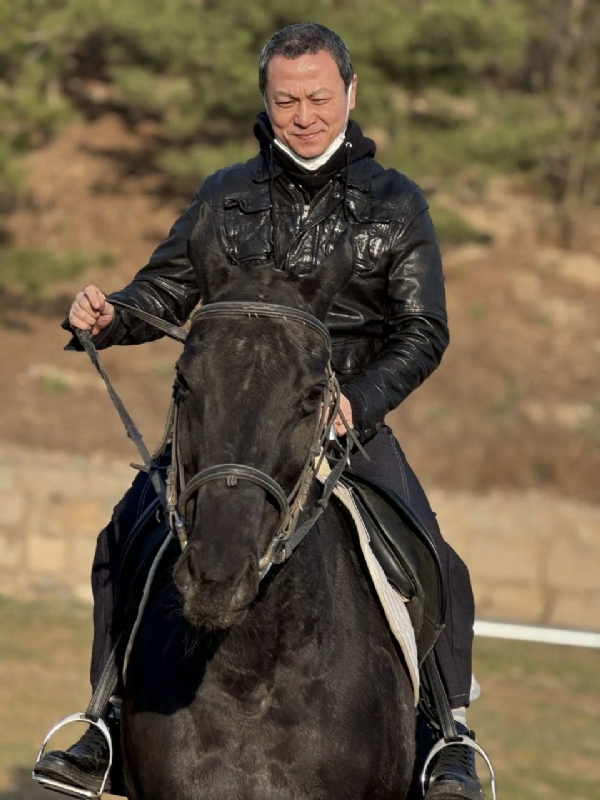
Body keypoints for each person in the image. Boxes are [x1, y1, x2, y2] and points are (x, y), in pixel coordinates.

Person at [34, 23, 488, 800]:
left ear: (350, 94)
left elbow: (423, 330)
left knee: (436, 554)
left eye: (318, 97)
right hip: (230, 417)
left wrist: (358, 403)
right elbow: (166, 290)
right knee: (124, 530)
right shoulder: (224, 195)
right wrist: (112, 314)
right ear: (265, 101)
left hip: (340, 414)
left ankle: (446, 735)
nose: (304, 114)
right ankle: (105, 721)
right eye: (287, 100)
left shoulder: (396, 202)